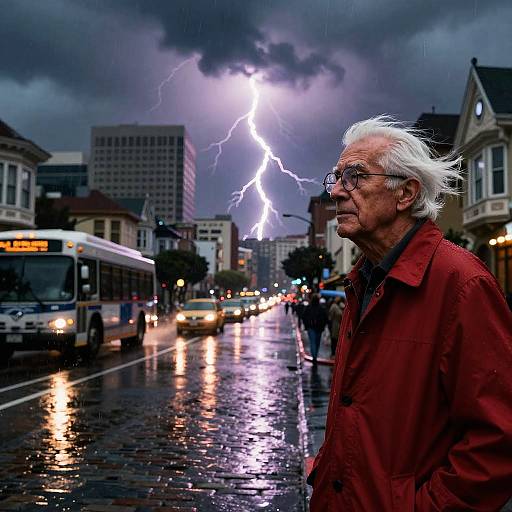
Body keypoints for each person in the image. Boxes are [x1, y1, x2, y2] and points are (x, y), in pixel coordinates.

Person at [308, 116, 512, 511]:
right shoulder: (363, 281)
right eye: (335, 177)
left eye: (354, 176)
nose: (336, 191)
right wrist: (325, 470)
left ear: (405, 194)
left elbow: (500, 439)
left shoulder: (463, 284)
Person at [302, 294, 328, 364]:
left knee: (313, 342)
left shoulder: (308, 307)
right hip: (319, 328)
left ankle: (314, 357)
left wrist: (306, 325)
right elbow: (326, 318)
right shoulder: (321, 308)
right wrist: (323, 326)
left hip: (311, 327)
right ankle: (315, 356)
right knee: (317, 343)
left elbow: (304, 316)